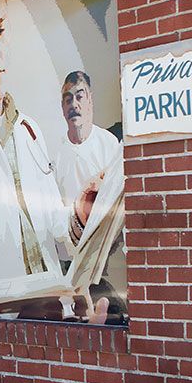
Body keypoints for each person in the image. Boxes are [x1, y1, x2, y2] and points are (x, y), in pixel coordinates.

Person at [0, 0, 81, 316]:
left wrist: (81, 216)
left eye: (0, 32)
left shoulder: (30, 130)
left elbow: (56, 228)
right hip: (2, 319)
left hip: (54, 307)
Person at [55, 70, 127, 324]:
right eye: (67, 99)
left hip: (104, 257)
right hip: (68, 259)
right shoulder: (55, 154)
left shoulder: (109, 145)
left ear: (90, 100)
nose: (73, 104)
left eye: (79, 96)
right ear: (62, 107)